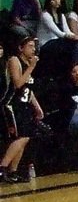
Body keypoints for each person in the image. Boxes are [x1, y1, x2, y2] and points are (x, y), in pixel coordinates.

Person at [1, 36, 44, 183]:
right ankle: (2, 167)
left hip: (23, 105)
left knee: (24, 139)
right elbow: (18, 83)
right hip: (11, 104)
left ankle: (13, 171)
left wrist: (37, 107)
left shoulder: (27, 63)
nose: (33, 49)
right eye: (30, 46)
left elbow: (28, 89)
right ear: (21, 48)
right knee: (22, 137)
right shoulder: (14, 60)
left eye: (34, 46)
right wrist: (31, 67)